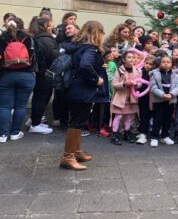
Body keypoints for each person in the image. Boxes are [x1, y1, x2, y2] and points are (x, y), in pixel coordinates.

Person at [62, 21, 107, 170]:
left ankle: (76, 152)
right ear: (96, 33)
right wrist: (97, 79)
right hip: (82, 90)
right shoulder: (90, 49)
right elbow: (85, 65)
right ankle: (68, 157)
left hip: (76, 88)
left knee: (78, 121)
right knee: (77, 121)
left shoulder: (79, 46)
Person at [0, 17, 36, 144]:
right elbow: (35, 56)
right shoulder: (29, 38)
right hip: (26, 75)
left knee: (4, 106)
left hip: (7, 75)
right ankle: (15, 133)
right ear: (22, 25)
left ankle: (2, 134)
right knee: (21, 106)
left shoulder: (3, 38)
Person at [29, 16, 59, 134]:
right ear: (44, 26)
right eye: (50, 24)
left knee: (39, 97)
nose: (53, 26)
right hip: (46, 73)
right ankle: (35, 124)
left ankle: (34, 120)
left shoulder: (39, 38)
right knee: (41, 98)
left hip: (40, 72)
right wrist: (62, 53)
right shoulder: (46, 39)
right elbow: (53, 55)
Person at [110, 50, 142, 145]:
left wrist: (136, 85)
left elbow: (140, 83)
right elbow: (114, 84)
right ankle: (115, 134)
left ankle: (126, 133)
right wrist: (124, 83)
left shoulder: (137, 71)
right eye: (129, 57)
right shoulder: (119, 70)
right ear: (124, 59)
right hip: (120, 98)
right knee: (118, 116)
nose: (132, 59)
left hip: (131, 98)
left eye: (133, 57)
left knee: (129, 116)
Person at [149, 55, 178, 147]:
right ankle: (154, 137)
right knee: (157, 119)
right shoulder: (154, 74)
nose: (166, 64)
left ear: (171, 64)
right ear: (159, 63)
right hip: (159, 100)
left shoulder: (175, 75)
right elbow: (153, 87)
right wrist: (163, 95)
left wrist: (171, 94)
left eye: (168, 62)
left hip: (170, 100)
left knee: (167, 119)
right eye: (163, 62)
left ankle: (165, 136)